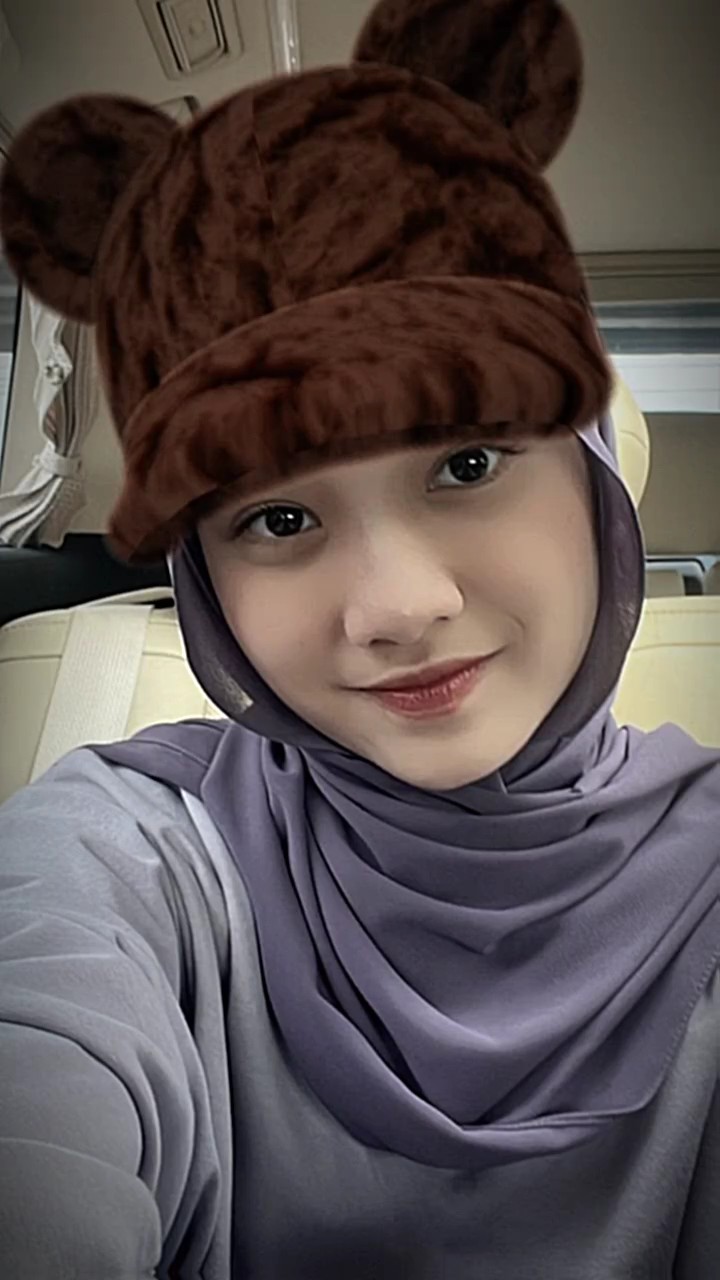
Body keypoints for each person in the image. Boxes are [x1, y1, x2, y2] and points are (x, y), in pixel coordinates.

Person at [0, 0, 718, 1277]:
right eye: (278, 516)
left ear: (597, 477)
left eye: (469, 460)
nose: (396, 605)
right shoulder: (128, 848)